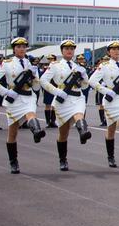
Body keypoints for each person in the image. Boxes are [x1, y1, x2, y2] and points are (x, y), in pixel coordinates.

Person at [0, 38, 46, 173]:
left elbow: (36, 88)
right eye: (18, 47)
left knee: (31, 114)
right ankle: (13, 162)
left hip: (29, 96)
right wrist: (6, 92)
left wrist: (35, 74)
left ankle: (36, 131)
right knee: (12, 133)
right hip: (14, 99)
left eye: (24, 47)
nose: (21, 49)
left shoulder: (30, 64)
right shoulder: (7, 64)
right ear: (14, 49)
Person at [39, 40, 93, 171]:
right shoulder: (55, 65)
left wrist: (84, 75)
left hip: (77, 97)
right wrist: (57, 91)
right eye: (67, 48)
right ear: (62, 51)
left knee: (79, 115)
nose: (69, 51)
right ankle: (62, 160)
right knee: (63, 134)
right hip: (62, 99)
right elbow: (43, 80)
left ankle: (83, 132)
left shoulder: (78, 67)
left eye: (72, 48)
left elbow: (85, 85)